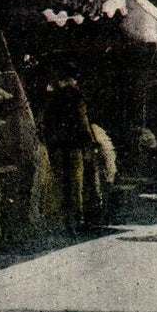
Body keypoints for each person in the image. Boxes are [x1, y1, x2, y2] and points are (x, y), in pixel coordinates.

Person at [42, 74, 95, 234]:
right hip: (74, 147)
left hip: (58, 147)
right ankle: (77, 221)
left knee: (61, 183)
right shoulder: (77, 96)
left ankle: (63, 221)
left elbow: (46, 121)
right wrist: (90, 142)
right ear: (72, 80)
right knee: (76, 184)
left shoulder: (54, 98)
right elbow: (82, 120)